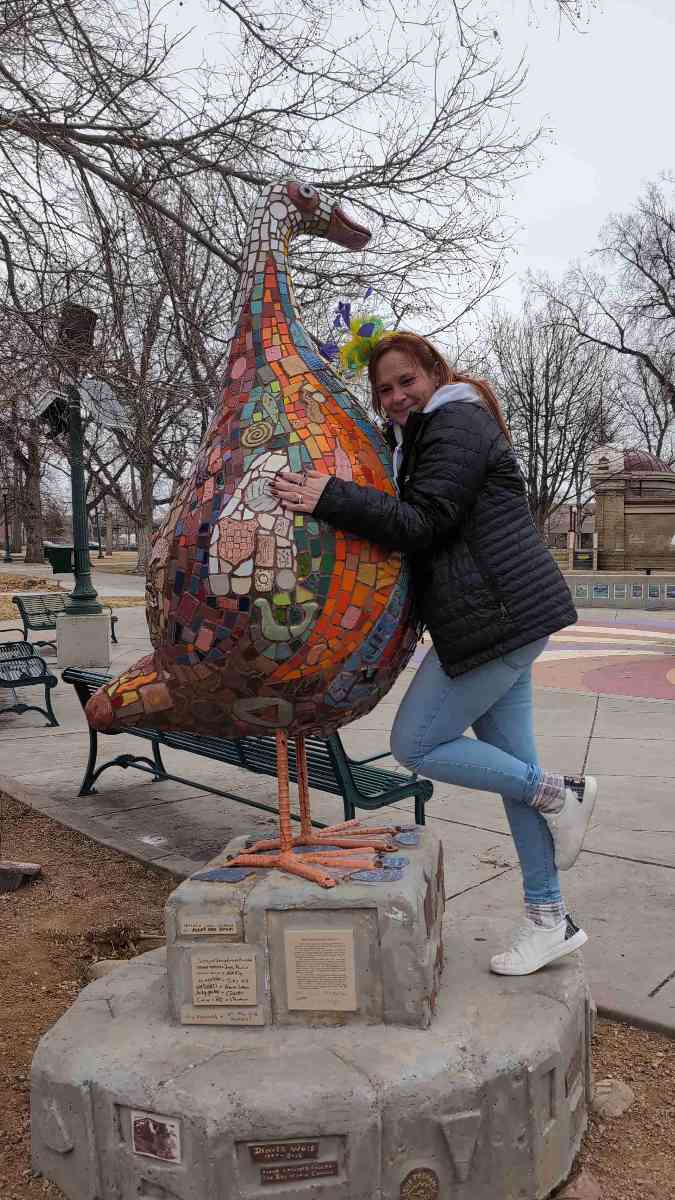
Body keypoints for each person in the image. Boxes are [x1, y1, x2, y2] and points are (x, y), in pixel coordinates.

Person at [271, 331, 597, 977]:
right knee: (512, 773)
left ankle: (561, 792)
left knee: (416, 743)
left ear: (434, 373)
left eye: (406, 381)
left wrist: (329, 496)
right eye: (384, 390)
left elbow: (423, 522)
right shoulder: (418, 438)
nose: (396, 396)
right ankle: (549, 919)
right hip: (492, 620)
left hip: (496, 619)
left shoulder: (456, 422)